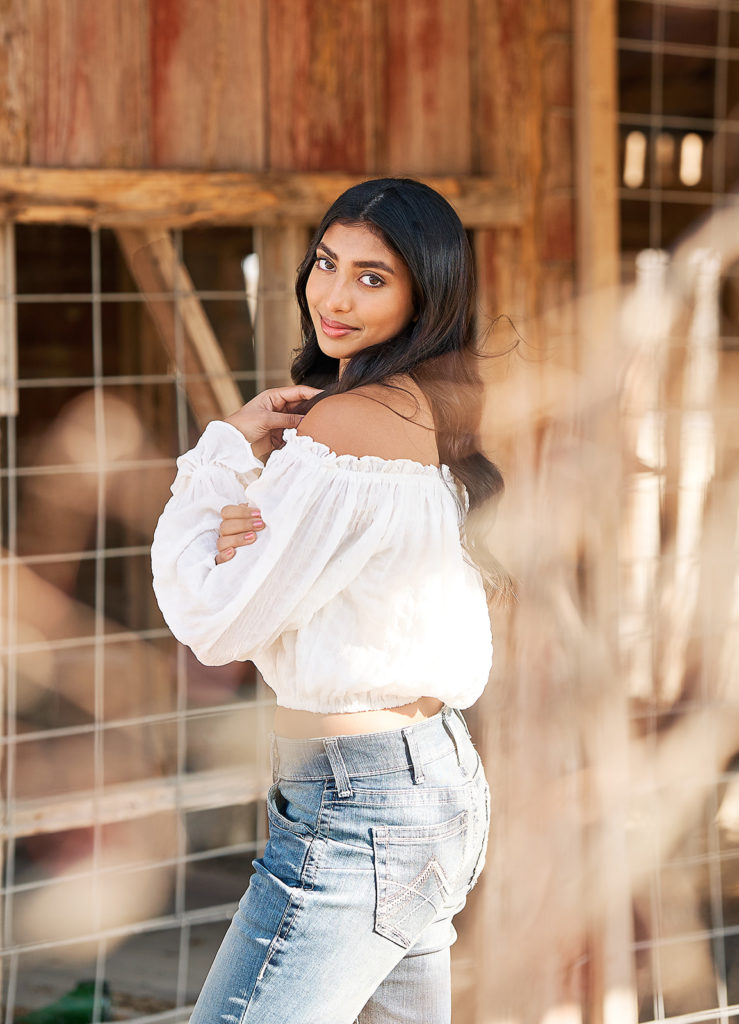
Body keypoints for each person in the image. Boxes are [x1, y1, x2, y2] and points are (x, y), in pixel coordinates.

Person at [151, 177, 509, 1024]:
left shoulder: (345, 430)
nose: (336, 297)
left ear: (427, 292)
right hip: (429, 786)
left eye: (373, 277)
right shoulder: (434, 409)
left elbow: (214, 624)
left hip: (359, 808)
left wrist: (219, 458)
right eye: (325, 263)